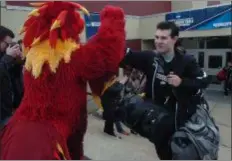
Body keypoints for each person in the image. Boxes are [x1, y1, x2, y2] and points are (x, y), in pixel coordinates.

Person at [0, 1, 126, 160]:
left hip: (17, 131)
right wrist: (113, 17)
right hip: (48, 142)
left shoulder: (34, 54)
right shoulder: (73, 56)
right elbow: (107, 51)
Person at [101, 21, 212, 160]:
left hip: (180, 124)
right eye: (157, 37)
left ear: (174, 39)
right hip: (157, 121)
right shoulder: (151, 58)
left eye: (164, 38)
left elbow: (204, 80)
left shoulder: (186, 61)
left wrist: (182, 82)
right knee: (164, 154)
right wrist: (114, 38)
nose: (159, 41)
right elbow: (125, 56)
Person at [0, 26, 23, 124]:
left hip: (7, 109)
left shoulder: (4, 56)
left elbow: (12, 77)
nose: (8, 47)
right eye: (7, 44)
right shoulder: (5, 57)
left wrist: (18, 62)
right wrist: (8, 57)